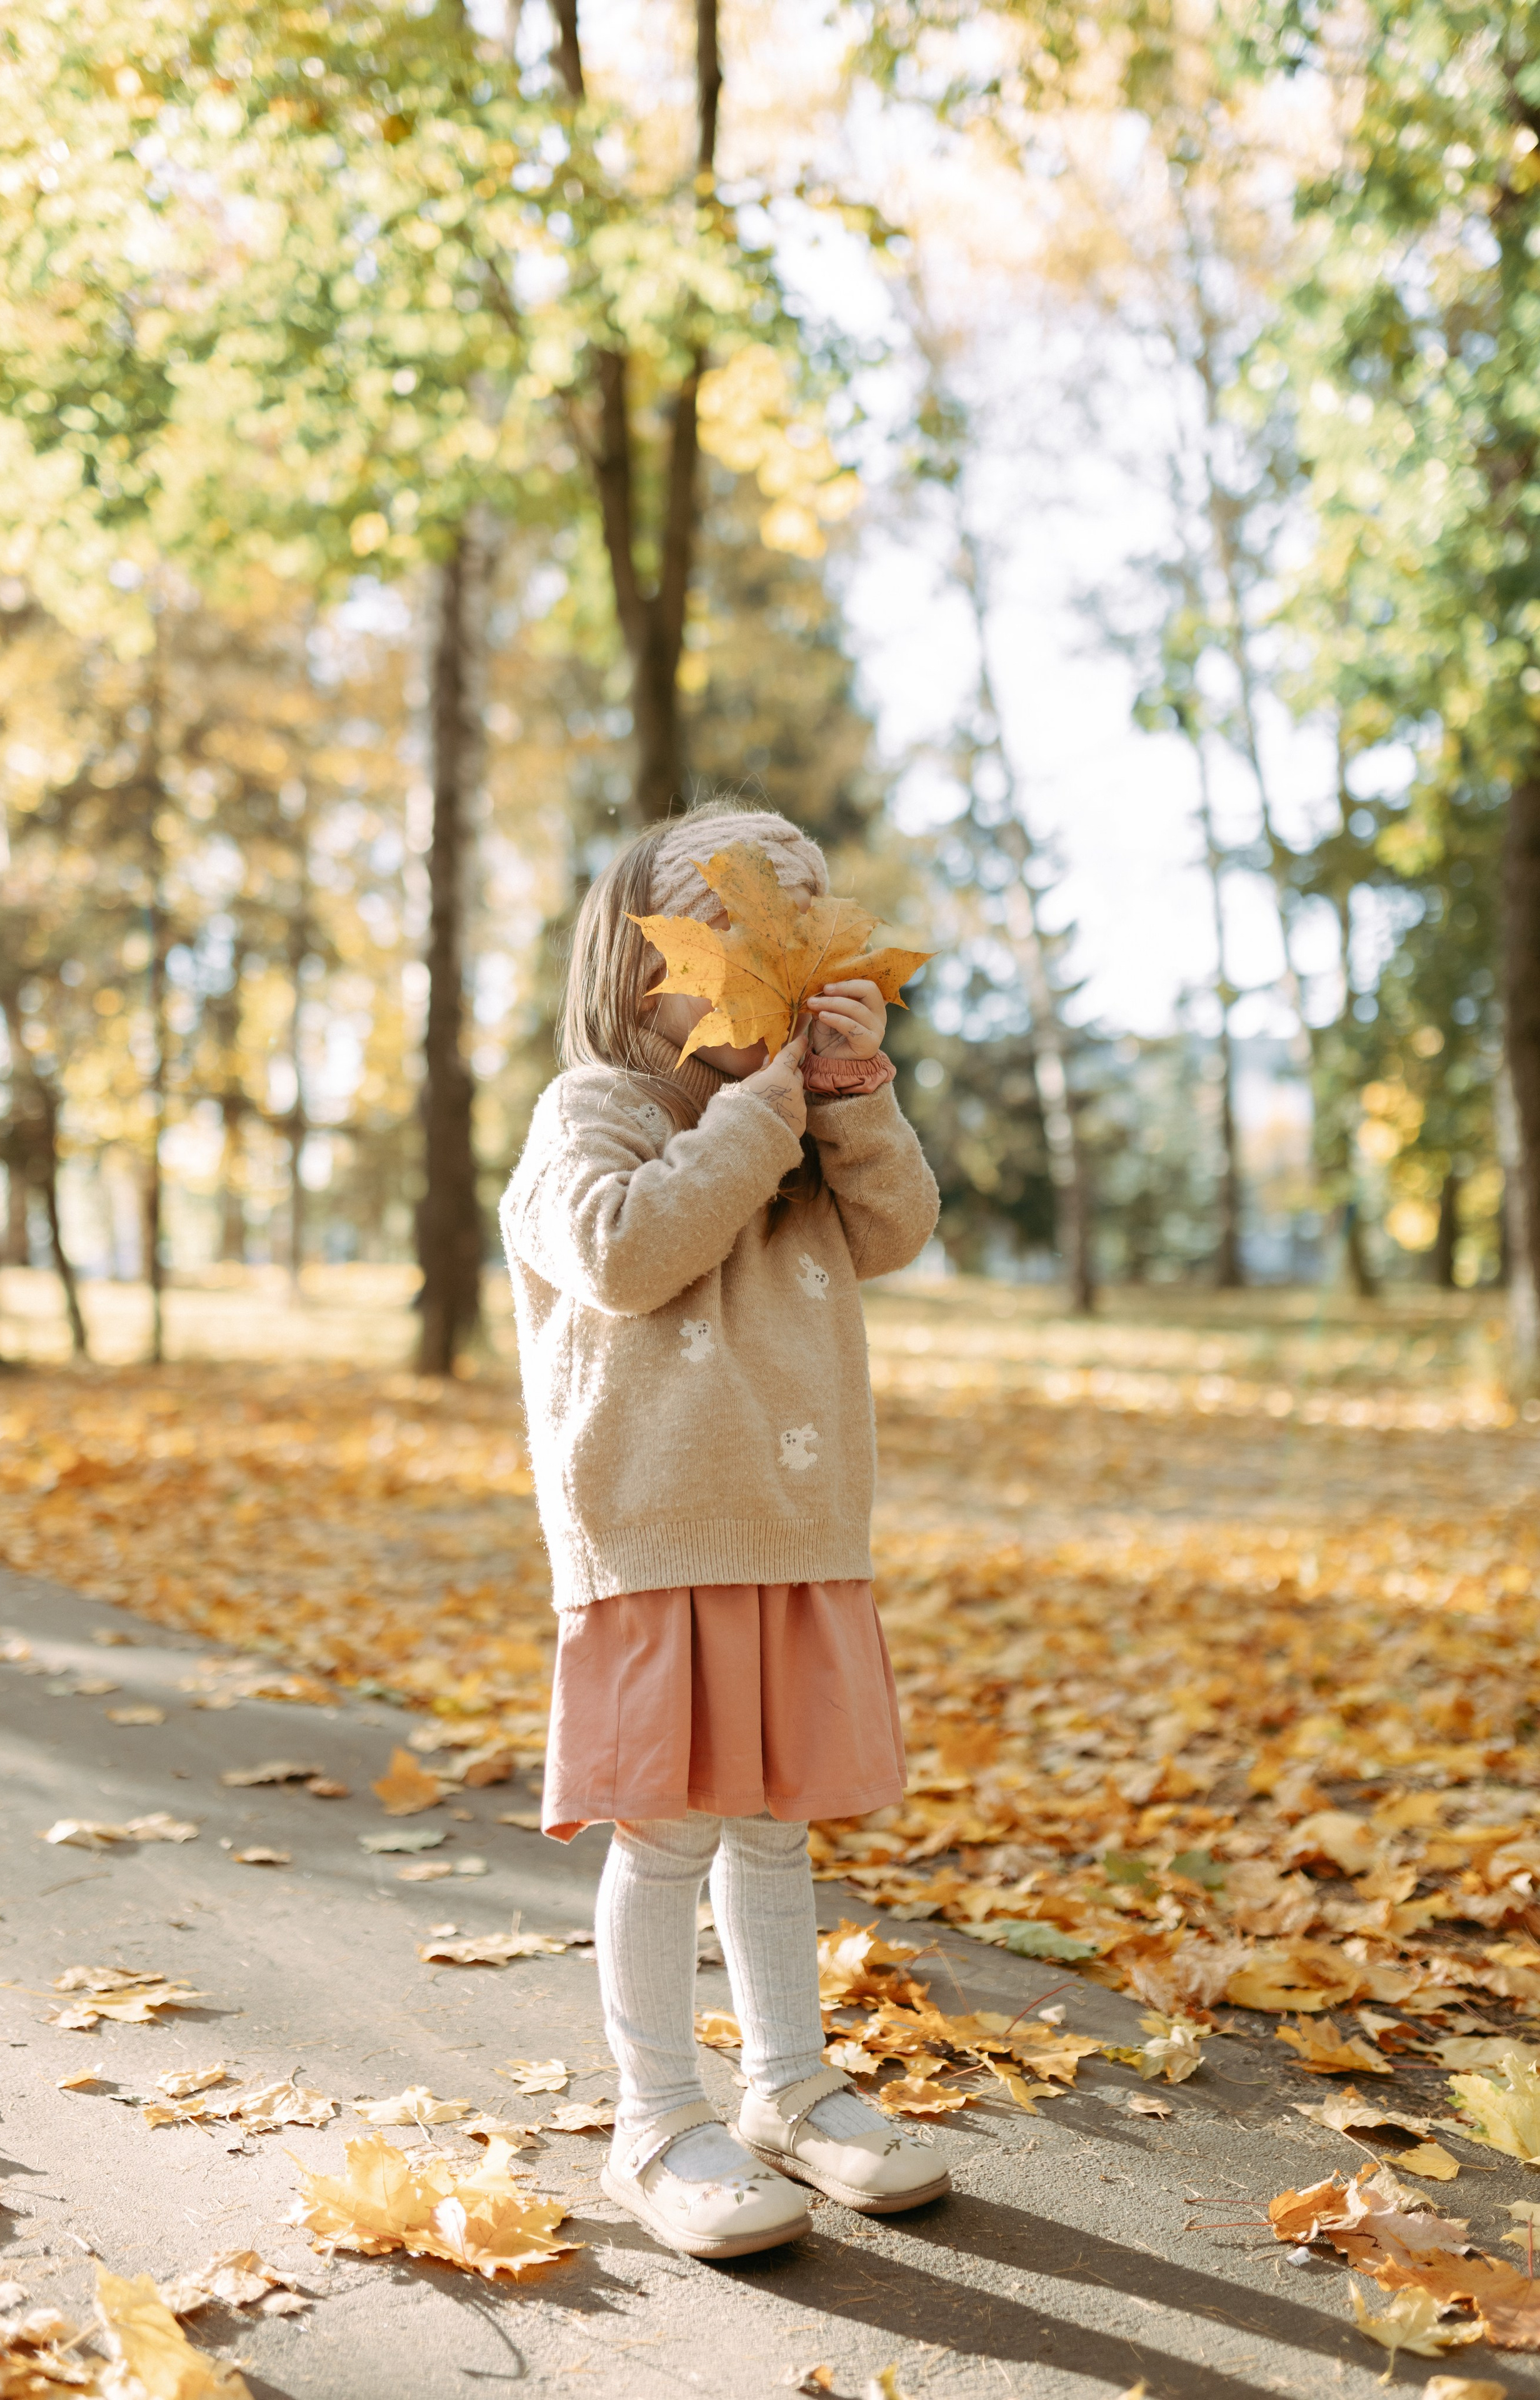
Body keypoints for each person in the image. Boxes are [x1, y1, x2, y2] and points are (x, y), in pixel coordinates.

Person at [499, 802, 946, 2261]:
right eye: (757, 938)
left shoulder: (805, 1126)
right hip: (655, 1528)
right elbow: (623, 1253)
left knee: (769, 1822)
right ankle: (655, 2117)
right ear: (649, 975)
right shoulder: (596, 1113)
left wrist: (848, 1096)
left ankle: (788, 2087)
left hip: (792, 1519)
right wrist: (758, 1114)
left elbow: (893, 1230)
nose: (794, 967)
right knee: (670, 1827)